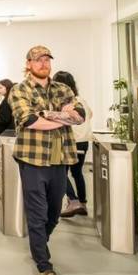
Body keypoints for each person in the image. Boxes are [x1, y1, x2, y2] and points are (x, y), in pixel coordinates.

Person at [9, 46, 85, 275]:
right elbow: (29, 120)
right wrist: (62, 116)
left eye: (46, 59)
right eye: (37, 60)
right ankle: (44, 266)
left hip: (60, 159)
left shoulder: (63, 89)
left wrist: (47, 114)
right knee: (37, 213)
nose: (43, 63)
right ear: (28, 63)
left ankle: (39, 243)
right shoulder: (19, 89)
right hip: (32, 160)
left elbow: (81, 115)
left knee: (53, 213)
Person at [52, 71, 92, 217]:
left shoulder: (63, 102)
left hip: (67, 140)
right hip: (83, 140)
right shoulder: (81, 100)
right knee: (77, 173)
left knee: (58, 172)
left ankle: (73, 201)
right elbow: (90, 114)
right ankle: (83, 204)